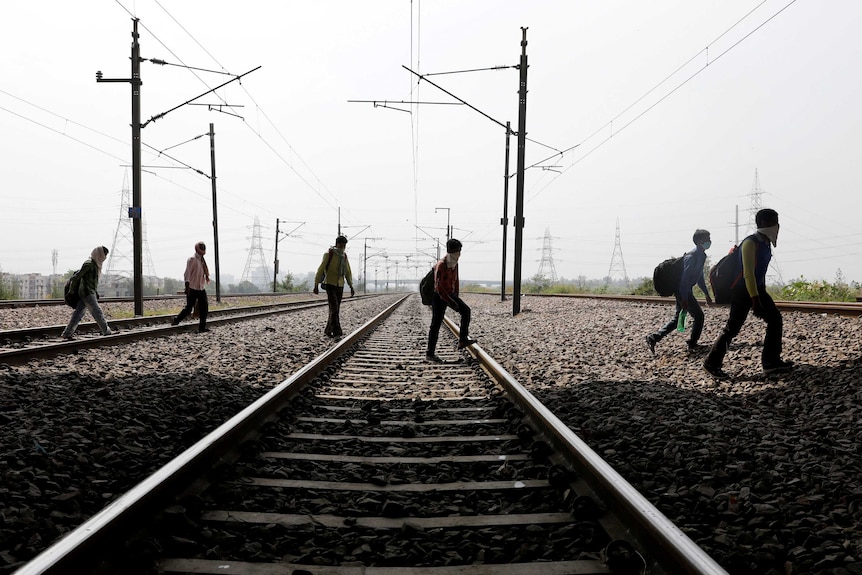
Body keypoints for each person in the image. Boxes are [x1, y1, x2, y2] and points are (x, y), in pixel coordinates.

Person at [703, 209, 793, 379]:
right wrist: (755, 299)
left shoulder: (765, 243)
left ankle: (771, 363)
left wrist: (762, 293)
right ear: (765, 223)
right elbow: (748, 274)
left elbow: (761, 272)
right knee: (733, 327)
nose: (777, 226)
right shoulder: (750, 243)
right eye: (775, 222)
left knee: (775, 319)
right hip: (743, 290)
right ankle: (711, 363)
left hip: (757, 290)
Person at [646, 229, 714, 355]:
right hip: (683, 290)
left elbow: (699, 277)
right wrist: (683, 298)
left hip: (685, 290)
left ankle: (653, 338)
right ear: (699, 241)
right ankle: (692, 343)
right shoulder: (691, 256)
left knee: (678, 319)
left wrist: (706, 294)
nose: (710, 241)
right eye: (707, 239)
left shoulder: (702, 255)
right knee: (699, 316)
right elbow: (684, 279)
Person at [426, 238, 477, 362]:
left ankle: (463, 340)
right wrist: (451, 302)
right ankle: (430, 354)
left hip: (450, 294)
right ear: (451, 251)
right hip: (438, 297)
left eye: (460, 251)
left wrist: (456, 298)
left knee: (466, 311)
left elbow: (456, 281)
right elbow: (439, 288)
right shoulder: (441, 265)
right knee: (436, 324)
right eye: (457, 251)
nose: (459, 254)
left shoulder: (455, 263)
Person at [61, 246, 113, 339]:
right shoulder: (89, 264)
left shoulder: (95, 264)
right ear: (99, 254)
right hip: (87, 293)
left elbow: (91, 281)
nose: (105, 257)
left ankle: (67, 333)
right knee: (97, 311)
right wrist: (70, 287)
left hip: (88, 292)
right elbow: (78, 276)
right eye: (104, 254)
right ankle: (106, 331)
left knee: (78, 314)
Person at [313, 235, 354, 337]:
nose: (342, 247)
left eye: (344, 245)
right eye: (341, 245)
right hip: (330, 284)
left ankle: (328, 329)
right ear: (337, 244)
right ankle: (337, 330)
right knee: (334, 308)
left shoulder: (344, 256)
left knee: (335, 309)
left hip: (340, 285)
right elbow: (321, 269)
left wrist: (351, 286)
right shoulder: (329, 254)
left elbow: (348, 271)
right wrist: (316, 284)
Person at [171, 241, 211, 333]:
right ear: (197, 249)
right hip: (192, 288)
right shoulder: (192, 259)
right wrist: (187, 286)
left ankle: (202, 328)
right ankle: (176, 320)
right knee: (189, 308)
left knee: (204, 308)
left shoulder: (202, 261)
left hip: (201, 288)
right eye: (201, 247)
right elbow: (187, 274)